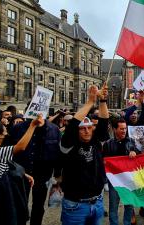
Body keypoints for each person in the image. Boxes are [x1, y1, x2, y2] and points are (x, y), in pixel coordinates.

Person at [58, 84, 109, 225]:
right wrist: (90, 102)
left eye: (89, 128)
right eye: (82, 129)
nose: (86, 131)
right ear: (76, 131)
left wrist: (103, 101)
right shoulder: (68, 143)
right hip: (75, 206)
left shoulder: (96, 141)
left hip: (97, 201)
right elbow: (74, 123)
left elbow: (104, 122)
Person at [0, 115, 43, 225]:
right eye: (4, 128)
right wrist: (32, 126)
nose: (6, 129)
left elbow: (6, 165)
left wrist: (24, 174)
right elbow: (20, 147)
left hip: (1, 199)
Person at [10, 108, 61, 225]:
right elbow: (9, 151)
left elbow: (58, 153)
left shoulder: (54, 129)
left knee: (38, 205)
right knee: (21, 203)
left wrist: (57, 176)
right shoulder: (18, 128)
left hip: (43, 173)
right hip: (22, 172)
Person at [103, 119, 137, 225]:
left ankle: (127, 223)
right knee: (113, 206)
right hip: (114, 181)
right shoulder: (108, 144)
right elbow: (104, 161)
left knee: (129, 205)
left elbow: (139, 155)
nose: (124, 131)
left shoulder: (131, 141)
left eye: (125, 128)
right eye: (121, 128)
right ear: (114, 129)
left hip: (129, 180)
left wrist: (134, 152)